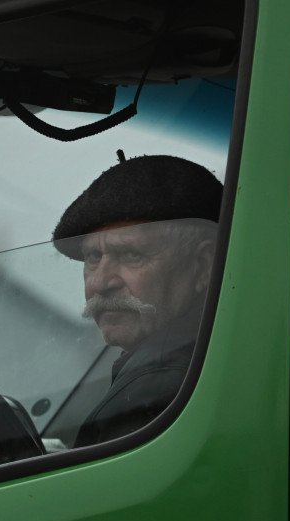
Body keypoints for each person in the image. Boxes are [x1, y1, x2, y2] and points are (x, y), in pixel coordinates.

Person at [51, 154, 221, 447]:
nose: (101, 283)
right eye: (93, 257)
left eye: (131, 255)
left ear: (203, 266)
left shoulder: (159, 391)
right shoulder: (210, 361)